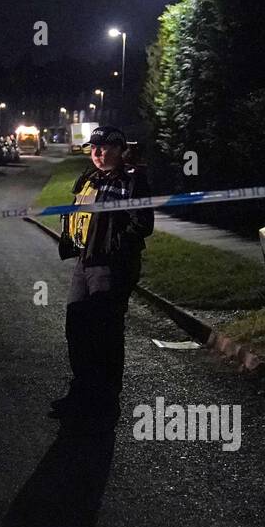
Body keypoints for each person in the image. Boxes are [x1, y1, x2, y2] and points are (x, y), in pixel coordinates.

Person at [52, 125, 153, 425]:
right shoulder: (90, 177)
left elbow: (142, 224)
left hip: (110, 265)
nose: (96, 153)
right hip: (85, 261)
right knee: (77, 327)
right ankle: (82, 392)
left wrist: (113, 248)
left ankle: (105, 400)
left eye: (104, 147)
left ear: (120, 150)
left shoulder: (131, 181)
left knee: (105, 334)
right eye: (93, 148)